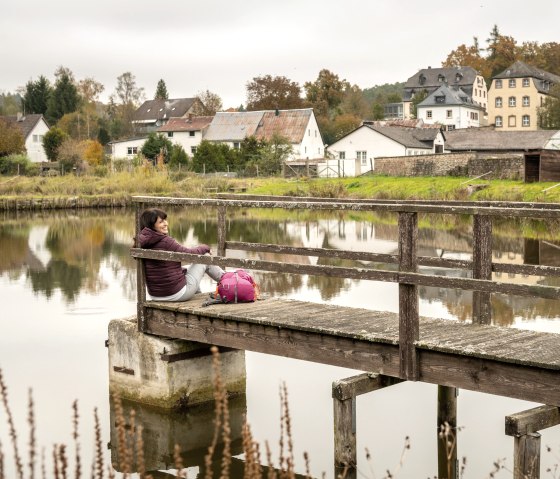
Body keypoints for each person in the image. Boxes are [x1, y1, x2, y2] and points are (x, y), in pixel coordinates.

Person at [137, 208, 225, 301]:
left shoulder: (141, 243)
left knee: (188, 268)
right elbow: (190, 254)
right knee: (205, 258)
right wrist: (205, 247)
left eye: (165, 220)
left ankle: (198, 295)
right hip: (176, 294)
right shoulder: (166, 242)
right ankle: (232, 283)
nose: (166, 223)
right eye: (161, 222)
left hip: (156, 295)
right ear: (151, 225)